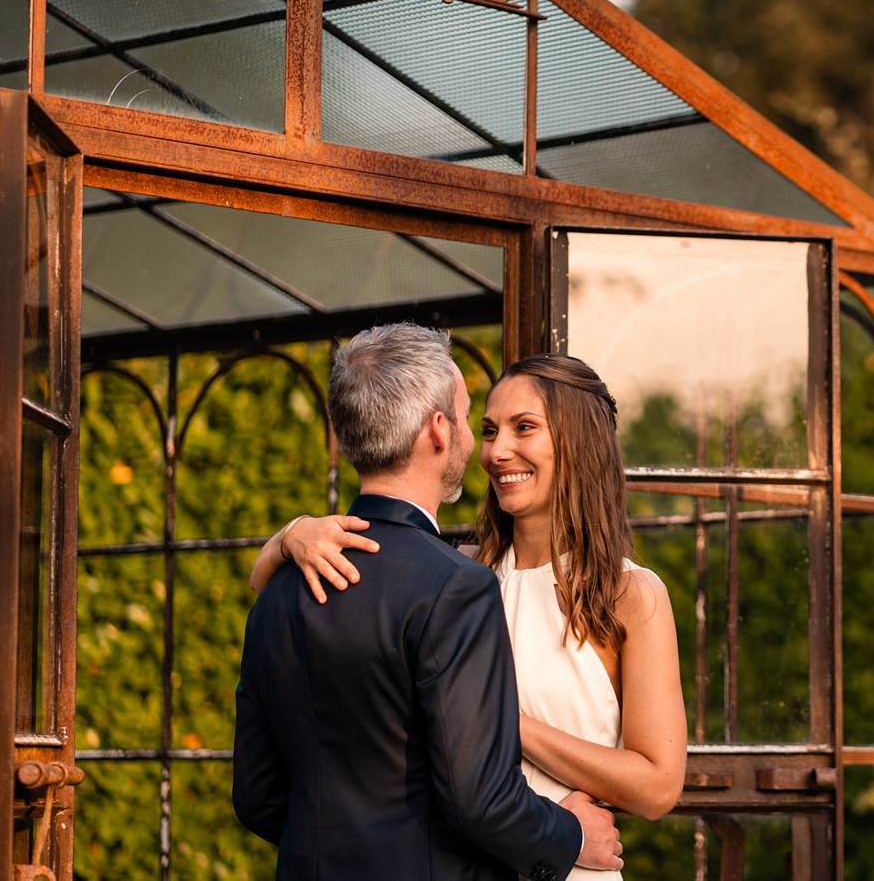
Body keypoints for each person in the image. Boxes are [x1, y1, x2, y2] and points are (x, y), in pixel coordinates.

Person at [249, 351, 688, 881]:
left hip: (571, 863)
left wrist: (500, 725)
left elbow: (658, 786)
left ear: (578, 443)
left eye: (523, 428)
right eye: (486, 430)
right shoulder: (455, 577)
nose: (497, 451)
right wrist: (291, 534)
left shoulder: (629, 594)